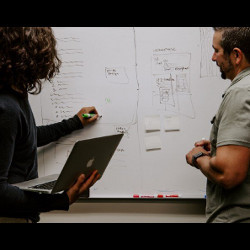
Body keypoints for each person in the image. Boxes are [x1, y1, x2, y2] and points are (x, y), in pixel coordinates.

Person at [0, 27, 101, 223]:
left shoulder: (16, 94)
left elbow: (27, 137)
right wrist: (61, 200)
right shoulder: (6, 107)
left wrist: (74, 122)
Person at [186, 27, 250, 223]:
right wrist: (217, 150)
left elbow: (228, 174)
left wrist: (197, 157)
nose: (213, 58)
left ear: (236, 55)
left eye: (217, 50)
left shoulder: (240, 92)